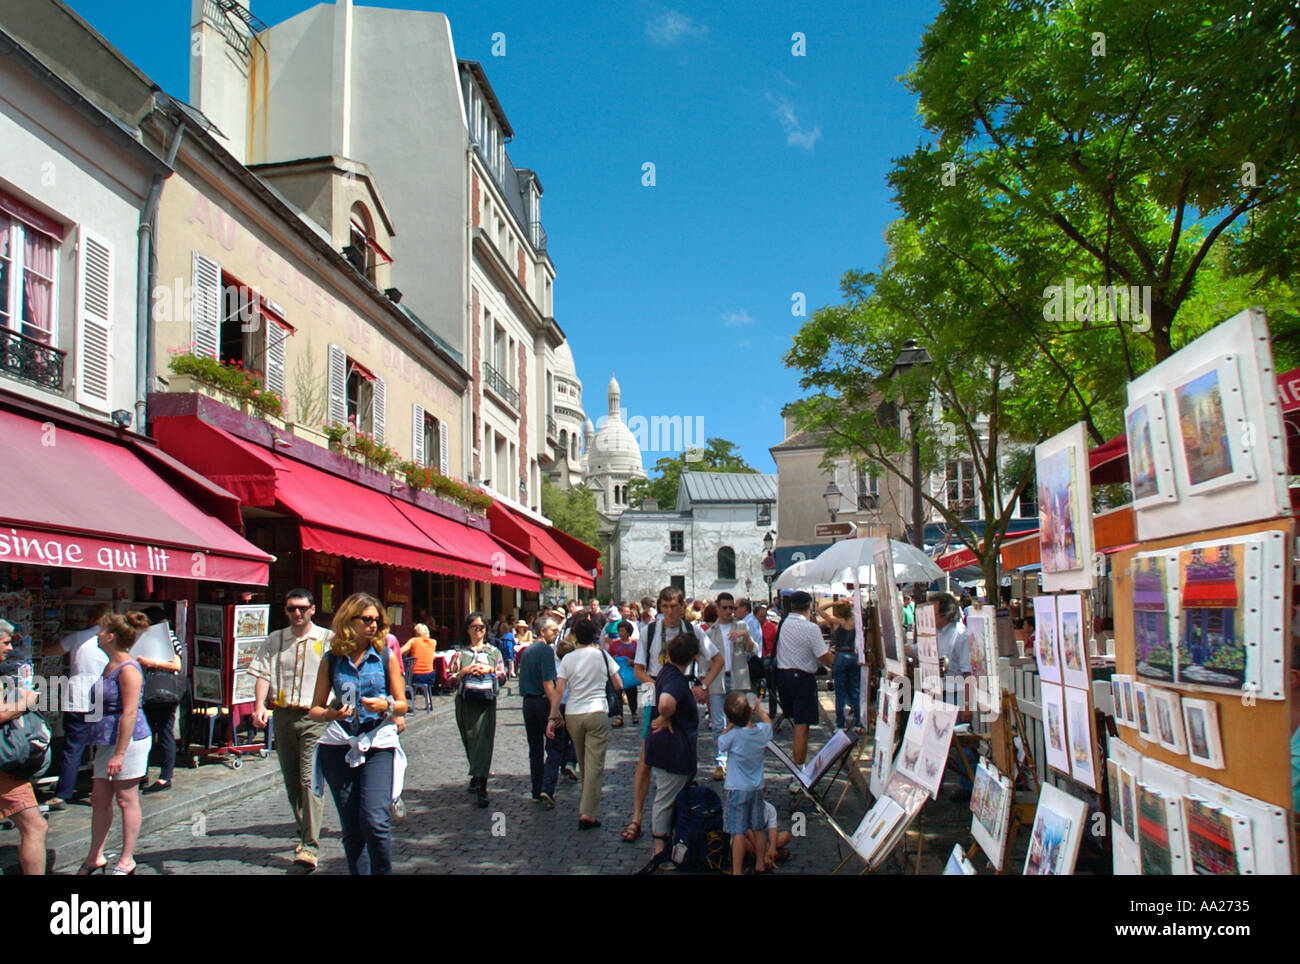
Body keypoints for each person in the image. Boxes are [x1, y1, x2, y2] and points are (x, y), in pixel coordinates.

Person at [308, 593, 407, 875]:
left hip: (377, 742)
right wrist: (330, 714)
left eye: (377, 620)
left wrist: (386, 704)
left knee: (375, 821)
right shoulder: (332, 660)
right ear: (349, 621)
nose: (373, 625)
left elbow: (403, 703)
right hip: (339, 745)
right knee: (352, 827)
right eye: (367, 619)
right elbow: (314, 709)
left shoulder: (384, 657)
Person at [622, 585, 721, 844]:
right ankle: (637, 816)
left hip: (682, 689)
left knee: (684, 749)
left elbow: (718, 659)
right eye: (664, 607)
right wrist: (660, 686)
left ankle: (681, 816)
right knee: (646, 756)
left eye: (674, 606)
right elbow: (639, 670)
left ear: (682, 607)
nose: (669, 612)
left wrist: (704, 684)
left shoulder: (693, 631)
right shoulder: (650, 631)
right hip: (654, 689)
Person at [251, 589, 334, 870]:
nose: (296, 614)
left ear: (312, 609)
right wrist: (259, 704)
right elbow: (263, 673)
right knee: (292, 781)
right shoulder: (275, 640)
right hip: (284, 716)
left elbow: (339, 674)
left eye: (301, 608)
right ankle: (304, 833)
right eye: (290, 609)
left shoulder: (327, 640)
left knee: (309, 779)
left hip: (314, 718)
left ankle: (309, 846)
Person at [80, 611, 153, 875]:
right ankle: (95, 856)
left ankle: (126, 859)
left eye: (100, 630)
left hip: (129, 741)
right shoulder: (109, 664)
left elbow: (130, 713)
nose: (97, 634)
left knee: (125, 798)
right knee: (100, 798)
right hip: (106, 739)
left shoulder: (129, 669)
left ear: (110, 637)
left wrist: (120, 754)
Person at [549, 616, 622, 829]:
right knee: (594, 765)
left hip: (573, 714)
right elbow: (617, 684)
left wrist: (552, 717)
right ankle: (588, 814)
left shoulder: (568, 659)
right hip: (597, 710)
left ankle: (586, 806)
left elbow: (559, 690)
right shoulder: (602, 655)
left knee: (583, 762)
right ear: (594, 636)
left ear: (574, 636)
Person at [47, 602, 110, 811]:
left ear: (91, 619)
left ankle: (63, 793)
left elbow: (52, 651)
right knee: (102, 746)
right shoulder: (110, 641)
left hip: (76, 697)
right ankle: (100, 790)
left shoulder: (77, 637)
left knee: (73, 747)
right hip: (99, 697)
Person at [645, 628, 701, 860]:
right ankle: (659, 852)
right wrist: (665, 714)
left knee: (668, 797)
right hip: (675, 751)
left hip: (670, 748)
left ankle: (672, 846)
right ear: (692, 658)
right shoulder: (677, 680)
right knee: (665, 800)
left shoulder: (666, 672)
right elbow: (666, 702)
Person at [773, 591, 833, 791]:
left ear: (791, 606)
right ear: (809, 606)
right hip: (802, 679)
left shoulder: (783, 624)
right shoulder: (810, 628)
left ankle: (799, 767)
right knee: (802, 725)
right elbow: (823, 657)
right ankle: (798, 772)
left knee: (796, 723)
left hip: (783, 677)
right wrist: (838, 660)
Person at [0, 618, 46, 874]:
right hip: (3, 766)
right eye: (5, 643)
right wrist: (26, 702)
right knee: (35, 825)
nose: (9, 649)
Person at [450, 612, 505, 807]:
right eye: (475, 627)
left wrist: (489, 670)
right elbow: (450, 679)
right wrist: (464, 672)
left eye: (482, 628)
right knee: (470, 740)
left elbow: (503, 676)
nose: (479, 631)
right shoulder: (460, 653)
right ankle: (476, 773)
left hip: (486, 702)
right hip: (465, 702)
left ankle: (482, 786)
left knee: (483, 742)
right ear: (468, 630)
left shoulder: (493, 652)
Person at [703, 592, 757, 780]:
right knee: (719, 723)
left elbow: (754, 650)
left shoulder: (742, 626)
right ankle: (720, 762)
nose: (728, 611)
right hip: (718, 681)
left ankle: (737, 760)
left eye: (731, 608)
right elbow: (705, 662)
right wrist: (704, 684)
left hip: (738, 679)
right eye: (724, 608)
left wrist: (746, 635)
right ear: (717, 608)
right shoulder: (710, 633)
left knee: (739, 722)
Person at [718, 691, 772, 875]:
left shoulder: (733, 736)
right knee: (758, 828)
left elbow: (720, 742)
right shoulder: (761, 731)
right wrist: (759, 708)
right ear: (750, 712)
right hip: (756, 788)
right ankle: (759, 864)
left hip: (736, 788)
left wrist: (731, 724)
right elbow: (769, 725)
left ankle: (737, 871)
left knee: (738, 831)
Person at [139, 607, 184, 795]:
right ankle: (142, 773)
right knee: (145, 733)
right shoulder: (144, 639)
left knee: (165, 733)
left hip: (164, 691)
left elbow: (176, 665)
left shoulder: (168, 638)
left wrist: (152, 664)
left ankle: (166, 776)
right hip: (149, 692)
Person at [519, 616, 561, 807]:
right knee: (554, 745)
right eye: (553, 629)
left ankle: (536, 790)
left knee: (534, 749)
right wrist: (556, 711)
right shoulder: (545, 651)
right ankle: (546, 787)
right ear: (542, 631)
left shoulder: (527, 651)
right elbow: (548, 683)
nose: (557, 632)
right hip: (543, 702)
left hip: (528, 703)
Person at [818, 600, 860, 731]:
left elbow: (820, 610)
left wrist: (833, 603)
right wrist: (854, 604)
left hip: (840, 656)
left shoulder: (837, 622)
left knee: (840, 692)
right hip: (853, 655)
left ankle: (840, 724)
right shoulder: (856, 622)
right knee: (855, 691)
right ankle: (858, 722)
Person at [607, 619, 640, 727]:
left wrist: (633, 662)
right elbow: (608, 656)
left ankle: (634, 713)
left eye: (623, 631)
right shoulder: (614, 644)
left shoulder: (635, 644)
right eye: (619, 631)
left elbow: (640, 658)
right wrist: (613, 658)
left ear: (628, 632)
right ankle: (619, 716)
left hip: (631, 673)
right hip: (618, 673)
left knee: (632, 694)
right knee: (617, 695)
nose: (621, 633)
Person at [745, 801, 794, 870]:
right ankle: (765, 856)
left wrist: (772, 847)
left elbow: (773, 829)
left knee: (786, 836)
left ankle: (758, 856)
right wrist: (764, 855)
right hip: (750, 839)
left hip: (764, 837)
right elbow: (749, 833)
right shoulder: (746, 807)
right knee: (743, 843)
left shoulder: (769, 808)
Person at [401, 623, 439, 706]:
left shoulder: (413, 640)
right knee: (422, 678)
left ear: (417, 632)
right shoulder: (433, 642)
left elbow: (400, 652)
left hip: (416, 676)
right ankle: (427, 701)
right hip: (430, 676)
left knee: (405, 676)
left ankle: (408, 698)